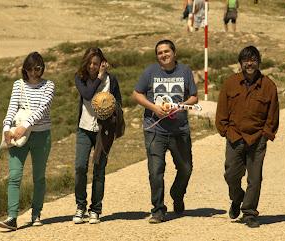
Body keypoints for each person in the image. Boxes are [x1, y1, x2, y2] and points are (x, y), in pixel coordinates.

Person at [132, 39, 198, 224]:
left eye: (166, 51)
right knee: (156, 171)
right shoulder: (150, 72)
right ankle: (158, 210)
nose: (163, 55)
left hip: (179, 130)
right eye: (159, 53)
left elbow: (194, 97)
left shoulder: (185, 71)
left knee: (185, 168)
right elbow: (137, 94)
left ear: (174, 53)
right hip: (155, 130)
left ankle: (177, 194)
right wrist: (153, 107)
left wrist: (180, 106)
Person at [215, 46, 279, 228]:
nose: (249, 63)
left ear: (259, 62)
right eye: (246, 60)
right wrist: (225, 131)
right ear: (240, 63)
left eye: (253, 59)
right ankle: (237, 199)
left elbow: (273, 114)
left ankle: (249, 212)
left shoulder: (268, 86)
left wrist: (265, 134)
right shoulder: (230, 83)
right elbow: (221, 112)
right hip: (235, 137)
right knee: (231, 175)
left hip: (257, 139)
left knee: (255, 178)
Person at [0, 52, 55, 231]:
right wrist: (7, 128)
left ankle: (36, 213)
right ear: (25, 69)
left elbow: (43, 108)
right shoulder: (18, 85)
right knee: (14, 176)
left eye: (37, 69)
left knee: (38, 176)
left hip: (41, 135)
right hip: (17, 136)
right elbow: (12, 107)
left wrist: (26, 125)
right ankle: (12, 217)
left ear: (42, 68)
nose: (33, 73)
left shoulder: (49, 86)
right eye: (30, 69)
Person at [72, 47, 122, 224]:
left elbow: (119, 102)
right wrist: (100, 76)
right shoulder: (80, 78)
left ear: (102, 63)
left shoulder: (112, 80)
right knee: (80, 167)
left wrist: (111, 109)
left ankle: (96, 209)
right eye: (90, 63)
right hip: (84, 128)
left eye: (96, 63)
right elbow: (87, 94)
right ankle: (80, 206)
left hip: (103, 130)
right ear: (86, 63)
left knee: (99, 169)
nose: (93, 67)